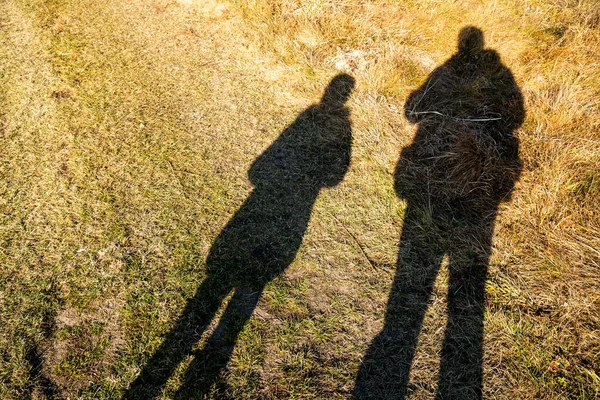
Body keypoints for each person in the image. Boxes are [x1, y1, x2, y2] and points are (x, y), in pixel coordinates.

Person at [353, 27, 524, 399]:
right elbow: (516, 118)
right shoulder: (500, 75)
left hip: (448, 181)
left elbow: (412, 109)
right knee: (466, 282)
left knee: (422, 268)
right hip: (473, 192)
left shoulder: (445, 71)